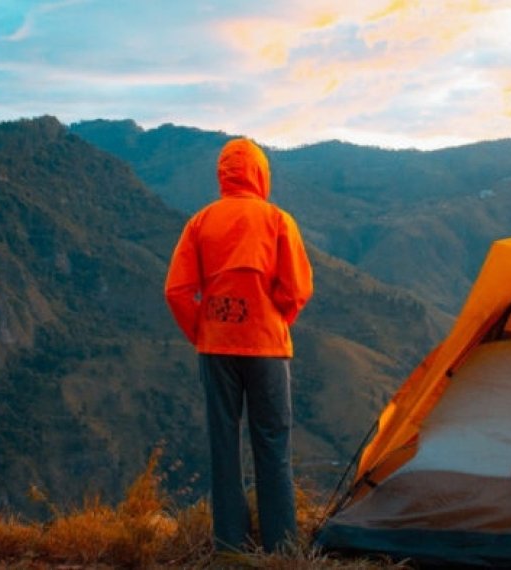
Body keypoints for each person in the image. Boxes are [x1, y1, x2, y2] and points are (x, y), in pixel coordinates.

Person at [164, 137, 313, 553]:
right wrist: (276, 316)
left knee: (224, 447)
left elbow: (177, 291)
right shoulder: (278, 220)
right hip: (267, 347)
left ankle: (231, 547)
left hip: (216, 347)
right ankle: (282, 548)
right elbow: (297, 288)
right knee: (273, 446)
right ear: (261, 174)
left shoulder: (200, 222)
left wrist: (204, 331)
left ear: (223, 175)